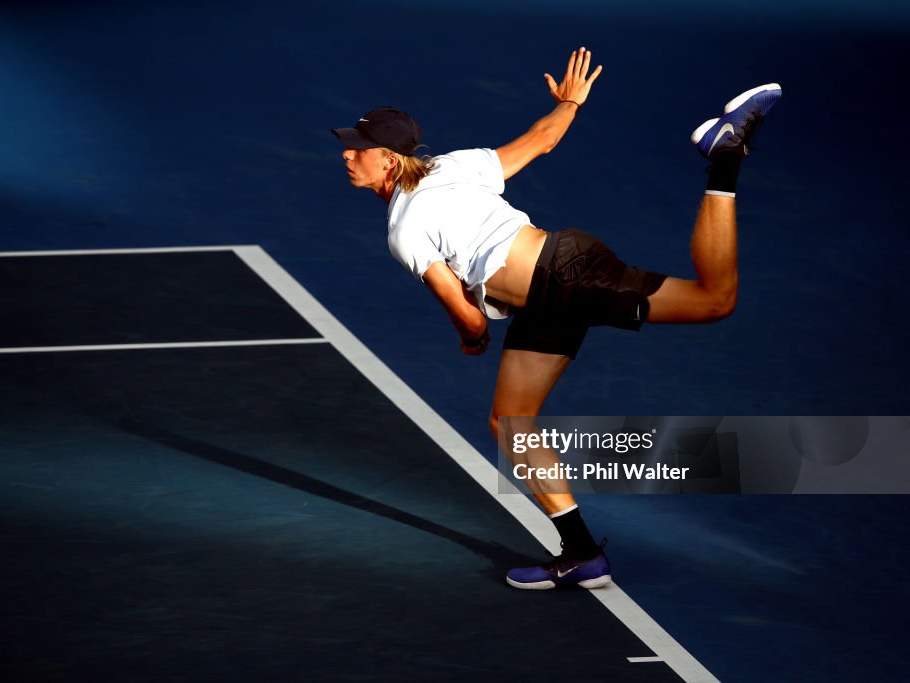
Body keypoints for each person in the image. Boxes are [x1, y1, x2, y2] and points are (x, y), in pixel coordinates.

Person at [331, 46, 780, 589]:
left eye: (359, 150)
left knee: (715, 301)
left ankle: (724, 158)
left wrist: (472, 341)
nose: (348, 157)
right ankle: (583, 553)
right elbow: (542, 139)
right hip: (550, 291)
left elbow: (469, 320)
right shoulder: (453, 165)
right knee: (511, 422)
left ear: (389, 158)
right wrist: (569, 102)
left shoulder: (404, 231)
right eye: (349, 149)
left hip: (566, 278)